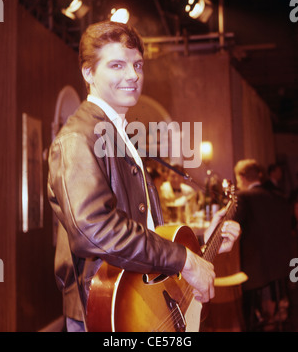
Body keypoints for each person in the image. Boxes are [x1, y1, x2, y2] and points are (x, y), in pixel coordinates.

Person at [47, 21, 240, 332]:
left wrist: (204, 240)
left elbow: (143, 228)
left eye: (137, 64)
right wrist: (185, 261)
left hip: (137, 299)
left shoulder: (119, 135)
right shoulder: (77, 139)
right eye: (117, 65)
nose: (133, 75)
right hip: (105, 308)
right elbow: (95, 229)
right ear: (88, 73)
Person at [233, 159, 292, 331]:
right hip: (282, 264)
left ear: (242, 177)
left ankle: (251, 319)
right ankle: (269, 311)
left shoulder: (243, 196)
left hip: (257, 268)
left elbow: (232, 226)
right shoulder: (278, 196)